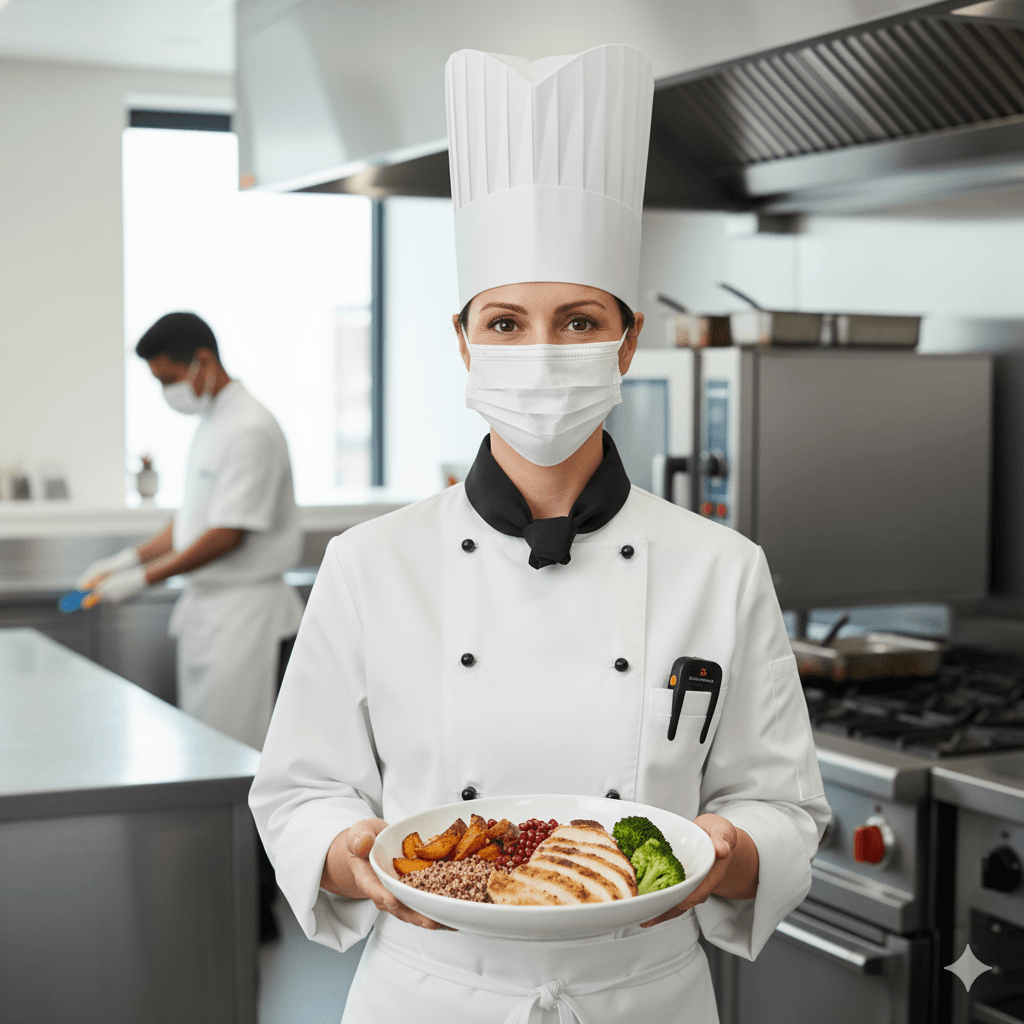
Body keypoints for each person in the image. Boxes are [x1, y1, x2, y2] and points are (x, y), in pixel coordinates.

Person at [250, 45, 831, 1021]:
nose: (542, 352)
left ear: (628, 339)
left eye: (576, 320)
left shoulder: (721, 568)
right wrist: (355, 856)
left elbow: (785, 809)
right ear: (465, 339)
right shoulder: (369, 564)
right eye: (508, 323)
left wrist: (726, 850)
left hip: (643, 993)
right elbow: (300, 793)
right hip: (431, 992)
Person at [78, 311, 304, 940]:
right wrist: (126, 559)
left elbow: (228, 534)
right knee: (214, 759)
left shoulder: (251, 428)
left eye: (170, 377)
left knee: (245, 769)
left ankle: (254, 909)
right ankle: (223, 893)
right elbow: (190, 524)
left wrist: (142, 582)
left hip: (247, 621)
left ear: (203, 361)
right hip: (212, 616)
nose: (167, 392)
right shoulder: (213, 424)